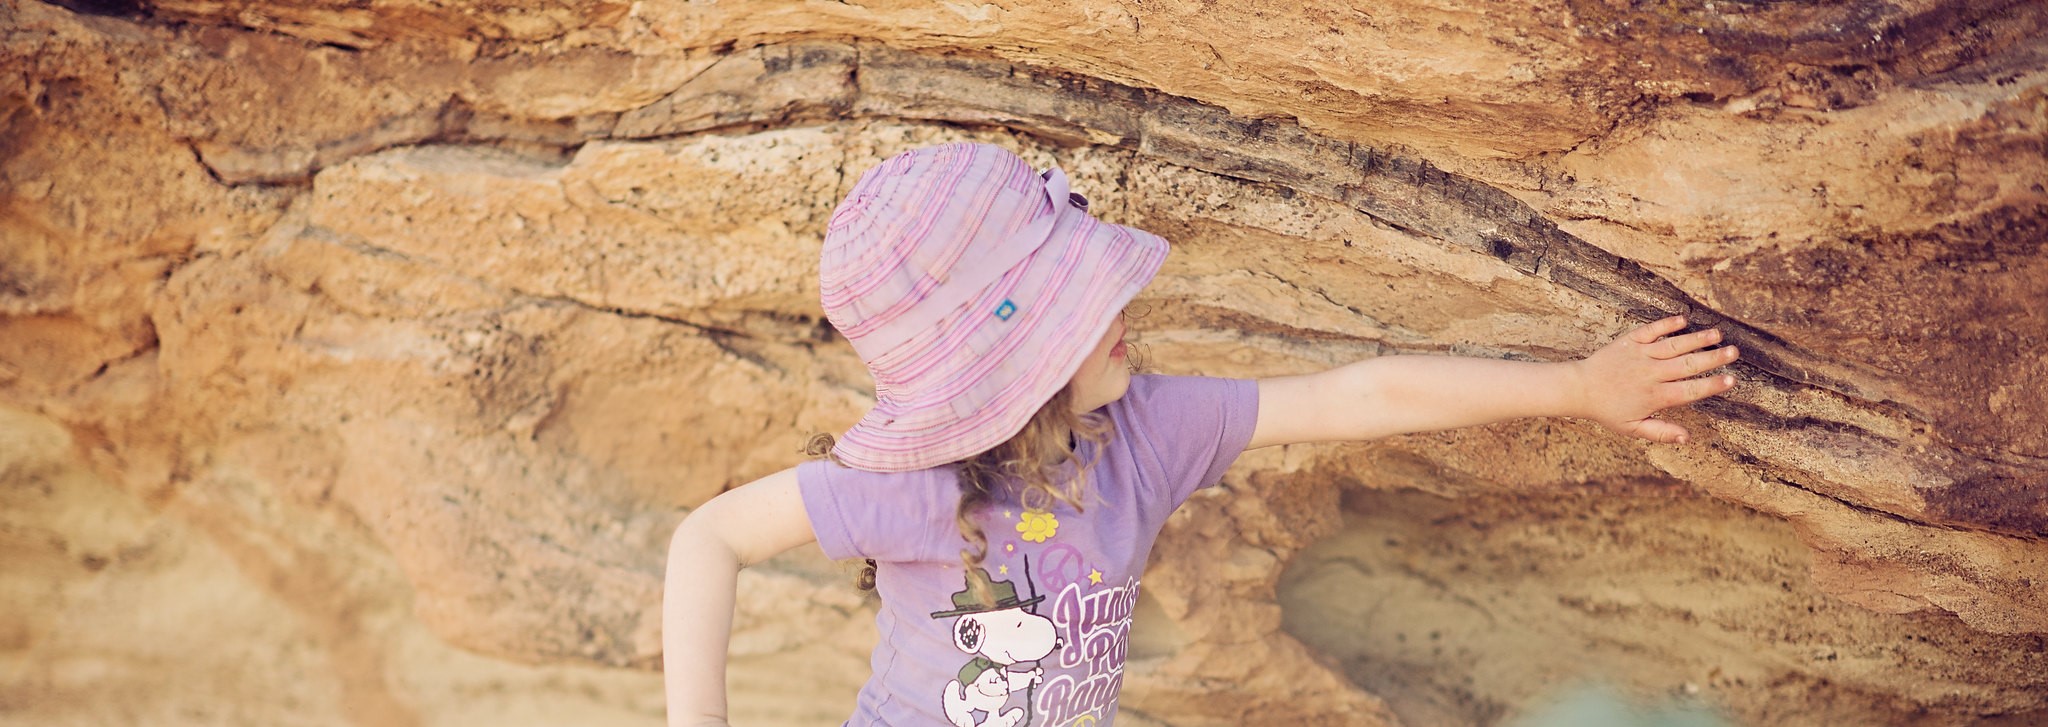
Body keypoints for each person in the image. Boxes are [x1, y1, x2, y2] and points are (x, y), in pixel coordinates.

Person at [662, 142, 1740, 727]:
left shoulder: (1150, 429)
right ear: (1014, 357)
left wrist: (1578, 387)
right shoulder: (914, 486)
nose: (1124, 307)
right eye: (1084, 303)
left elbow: (1354, 399)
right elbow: (703, 540)